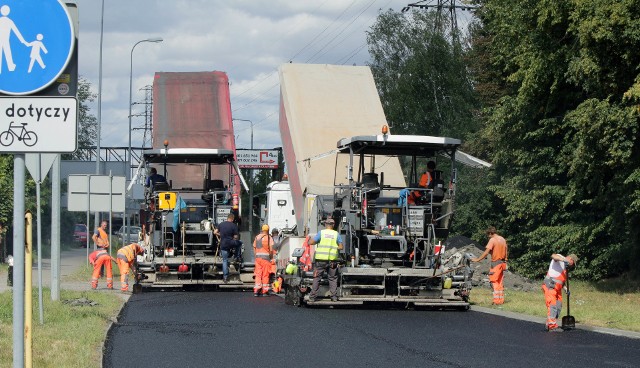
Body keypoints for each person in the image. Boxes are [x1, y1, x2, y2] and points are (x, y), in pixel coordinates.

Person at [308, 218, 344, 302]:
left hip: (320, 260)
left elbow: (311, 242)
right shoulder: (336, 234)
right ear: (333, 225)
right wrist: (335, 247)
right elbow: (341, 247)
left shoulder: (321, 233)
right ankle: (334, 297)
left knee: (317, 278)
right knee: (332, 278)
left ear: (325, 224)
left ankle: (312, 297)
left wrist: (310, 240)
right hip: (332, 261)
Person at [471, 226, 508, 305]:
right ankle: (500, 300)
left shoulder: (493, 240)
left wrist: (477, 259)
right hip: (502, 263)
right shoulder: (502, 239)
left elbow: (486, 252)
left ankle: (496, 301)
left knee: (494, 281)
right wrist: (505, 260)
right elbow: (505, 250)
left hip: (495, 263)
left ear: (491, 233)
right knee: (500, 282)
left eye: (488, 235)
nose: (488, 237)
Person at [542, 253, 578, 332]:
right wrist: (564, 260)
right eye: (572, 264)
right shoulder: (560, 258)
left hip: (558, 288)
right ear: (571, 259)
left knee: (558, 306)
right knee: (552, 305)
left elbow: (561, 280)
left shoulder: (564, 268)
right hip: (550, 285)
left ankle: (550, 323)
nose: (571, 266)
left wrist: (565, 288)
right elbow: (553, 256)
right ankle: (552, 326)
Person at [214, 213, 240, 282]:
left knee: (225, 260)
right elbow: (236, 237)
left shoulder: (221, 224)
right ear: (232, 219)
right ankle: (236, 257)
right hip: (231, 243)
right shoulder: (234, 226)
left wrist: (221, 235)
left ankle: (225, 277)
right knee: (240, 243)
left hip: (224, 244)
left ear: (227, 218)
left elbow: (215, 232)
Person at [253, 224, 275, 297]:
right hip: (266, 258)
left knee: (258, 274)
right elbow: (271, 250)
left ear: (262, 230)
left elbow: (254, 247)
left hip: (258, 258)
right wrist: (271, 257)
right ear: (268, 230)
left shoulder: (257, 237)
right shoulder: (269, 238)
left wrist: (256, 256)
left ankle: (256, 290)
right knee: (265, 274)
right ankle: (264, 290)